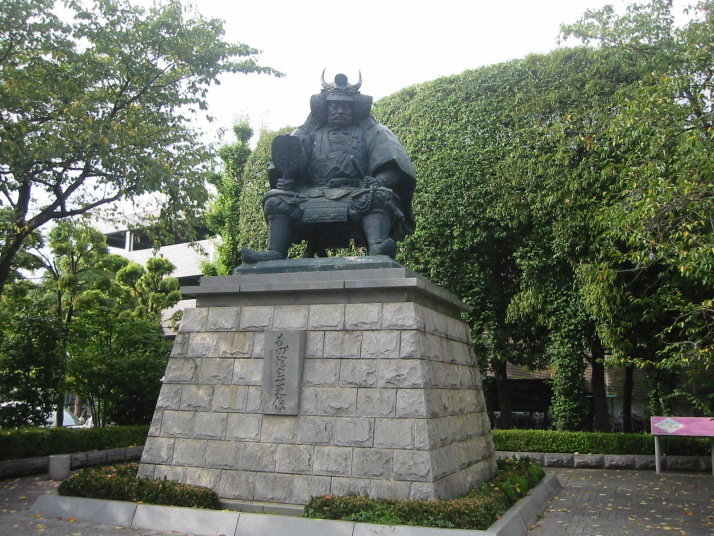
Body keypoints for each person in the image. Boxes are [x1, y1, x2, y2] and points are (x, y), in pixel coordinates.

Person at [241, 72, 416, 263]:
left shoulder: (374, 132)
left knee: (379, 196)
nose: (340, 110)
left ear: (354, 108)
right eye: (334, 105)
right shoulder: (306, 134)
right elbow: (289, 162)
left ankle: (377, 245)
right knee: (274, 200)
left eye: (345, 106)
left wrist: (378, 181)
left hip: (356, 194)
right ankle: (275, 251)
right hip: (311, 195)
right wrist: (288, 182)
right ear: (325, 107)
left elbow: (392, 167)